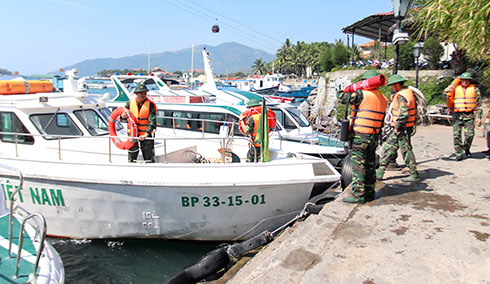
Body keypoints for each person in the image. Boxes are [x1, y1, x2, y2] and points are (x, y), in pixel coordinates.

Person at [338, 70, 388, 204]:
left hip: (360, 136)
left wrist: (350, 88)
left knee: (358, 166)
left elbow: (341, 97)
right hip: (374, 136)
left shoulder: (361, 94)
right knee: (370, 165)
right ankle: (370, 193)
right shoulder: (382, 97)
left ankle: (358, 195)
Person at [376, 74, 420, 182]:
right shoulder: (407, 93)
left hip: (402, 128)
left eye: (392, 86)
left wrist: (397, 125)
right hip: (405, 127)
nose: (391, 88)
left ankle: (414, 174)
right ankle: (380, 172)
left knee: (405, 151)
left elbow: (404, 113)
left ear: (397, 85)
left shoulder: (401, 96)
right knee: (389, 148)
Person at [445, 72, 483, 160]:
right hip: (457, 115)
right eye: (463, 80)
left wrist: (479, 117)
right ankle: (459, 153)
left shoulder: (475, 89)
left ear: (470, 81)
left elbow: (479, 104)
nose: (465, 82)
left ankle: (466, 149)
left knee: (470, 134)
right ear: (460, 80)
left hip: (469, 115)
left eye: (467, 80)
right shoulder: (455, 89)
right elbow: (447, 97)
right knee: (456, 135)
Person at [121, 83, 157, 162]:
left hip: (145, 134)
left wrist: (146, 134)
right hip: (133, 134)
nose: (143, 95)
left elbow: (153, 121)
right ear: (136, 94)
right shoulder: (129, 103)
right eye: (141, 93)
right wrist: (122, 116)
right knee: (132, 155)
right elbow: (123, 118)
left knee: (148, 156)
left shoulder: (150, 105)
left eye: (145, 93)